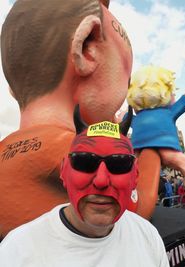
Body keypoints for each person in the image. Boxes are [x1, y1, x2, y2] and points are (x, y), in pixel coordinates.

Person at [0, 0, 134, 238]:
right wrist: (159, 150)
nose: (128, 85)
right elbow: (136, 209)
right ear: (85, 49)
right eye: (126, 73)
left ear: (12, 89)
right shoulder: (68, 146)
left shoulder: (6, 148)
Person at [0, 106, 170, 267]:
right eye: (84, 162)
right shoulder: (17, 251)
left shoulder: (148, 236)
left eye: (119, 164)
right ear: (64, 172)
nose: (101, 181)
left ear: (135, 176)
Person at [127, 65, 185, 186]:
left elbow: (125, 119)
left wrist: (121, 116)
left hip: (140, 150)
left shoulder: (138, 119)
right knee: (183, 164)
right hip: (167, 149)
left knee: (133, 167)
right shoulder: (168, 113)